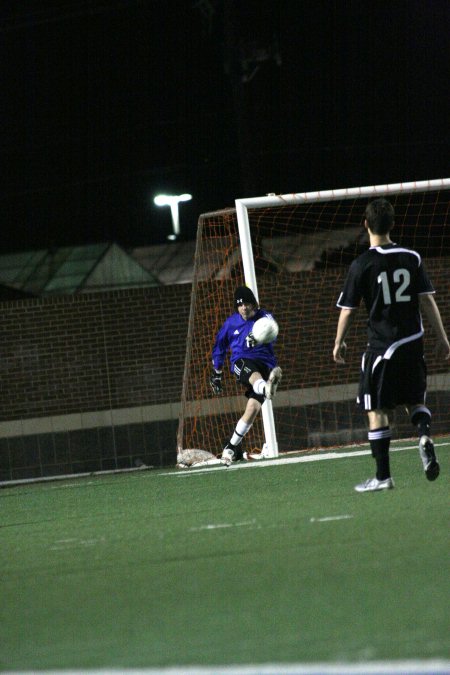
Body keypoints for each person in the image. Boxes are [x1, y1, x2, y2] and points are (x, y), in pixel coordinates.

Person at [333, 197, 450, 492]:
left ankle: (383, 476)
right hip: (413, 344)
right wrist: (443, 337)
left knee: (377, 410)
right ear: (393, 225)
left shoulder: (362, 264)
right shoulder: (412, 257)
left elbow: (348, 310)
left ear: (366, 225)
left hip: (382, 348)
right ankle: (423, 434)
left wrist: (339, 342)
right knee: (415, 401)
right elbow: (427, 300)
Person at [210, 286, 282, 465]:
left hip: (265, 366)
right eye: (240, 305)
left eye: (247, 304)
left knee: (253, 409)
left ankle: (230, 448)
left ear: (254, 304)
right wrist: (216, 373)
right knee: (250, 371)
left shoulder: (265, 317)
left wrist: (258, 337)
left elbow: (272, 332)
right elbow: (219, 347)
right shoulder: (230, 323)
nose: (243, 308)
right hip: (240, 363)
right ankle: (265, 388)